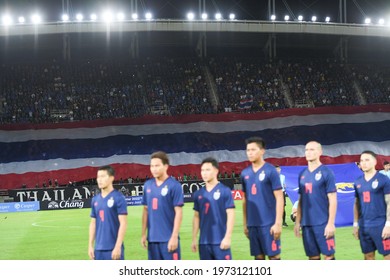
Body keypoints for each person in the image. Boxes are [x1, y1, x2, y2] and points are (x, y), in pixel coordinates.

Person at [241, 137, 284, 260]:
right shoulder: (245, 173)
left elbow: (280, 198)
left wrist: (277, 223)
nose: (250, 152)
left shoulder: (271, 171)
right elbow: (245, 200)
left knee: (274, 257)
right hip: (253, 225)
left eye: (253, 149)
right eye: (248, 150)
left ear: (262, 151)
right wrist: (245, 224)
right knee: (258, 257)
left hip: (269, 224)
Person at [293, 141, 337, 260]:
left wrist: (331, 223)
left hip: (322, 222)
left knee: (328, 256)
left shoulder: (327, 173)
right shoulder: (302, 174)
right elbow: (301, 199)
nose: (308, 152)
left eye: (312, 149)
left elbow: (333, 199)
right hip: (306, 224)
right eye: (306, 150)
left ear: (320, 152)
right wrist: (297, 222)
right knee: (313, 257)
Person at [141, 151, 184, 260]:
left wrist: (174, 237)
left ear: (166, 166)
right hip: (152, 240)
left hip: (168, 239)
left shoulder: (174, 186)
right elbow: (145, 210)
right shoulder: (147, 185)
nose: (154, 169)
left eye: (157, 165)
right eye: (152, 166)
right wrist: (143, 234)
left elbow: (179, 212)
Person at [192, 157, 235, 260]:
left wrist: (227, 237)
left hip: (220, 241)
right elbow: (196, 217)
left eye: (208, 170)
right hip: (204, 243)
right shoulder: (198, 194)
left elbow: (231, 214)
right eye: (202, 170)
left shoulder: (225, 191)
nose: (204, 173)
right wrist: (194, 238)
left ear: (216, 171)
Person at [353, 151, 390, 260]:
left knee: (387, 256)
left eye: (367, 160)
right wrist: (355, 224)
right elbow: (356, 204)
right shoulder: (357, 182)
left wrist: (388, 225)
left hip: (381, 225)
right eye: (362, 160)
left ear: (374, 162)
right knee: (368, 256)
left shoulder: (384, 180)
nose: (364, 163)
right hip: (364, 226)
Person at [88, 165, 128, 260]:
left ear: (111, 178)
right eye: (98, 177)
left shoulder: (119, 198)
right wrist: (90, 245)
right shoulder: (95, 200)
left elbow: (123, 223)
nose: (99, 180)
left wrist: (118, 246)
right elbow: (93, 223)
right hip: (98, 249)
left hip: (113, 248)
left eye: (103, 176)